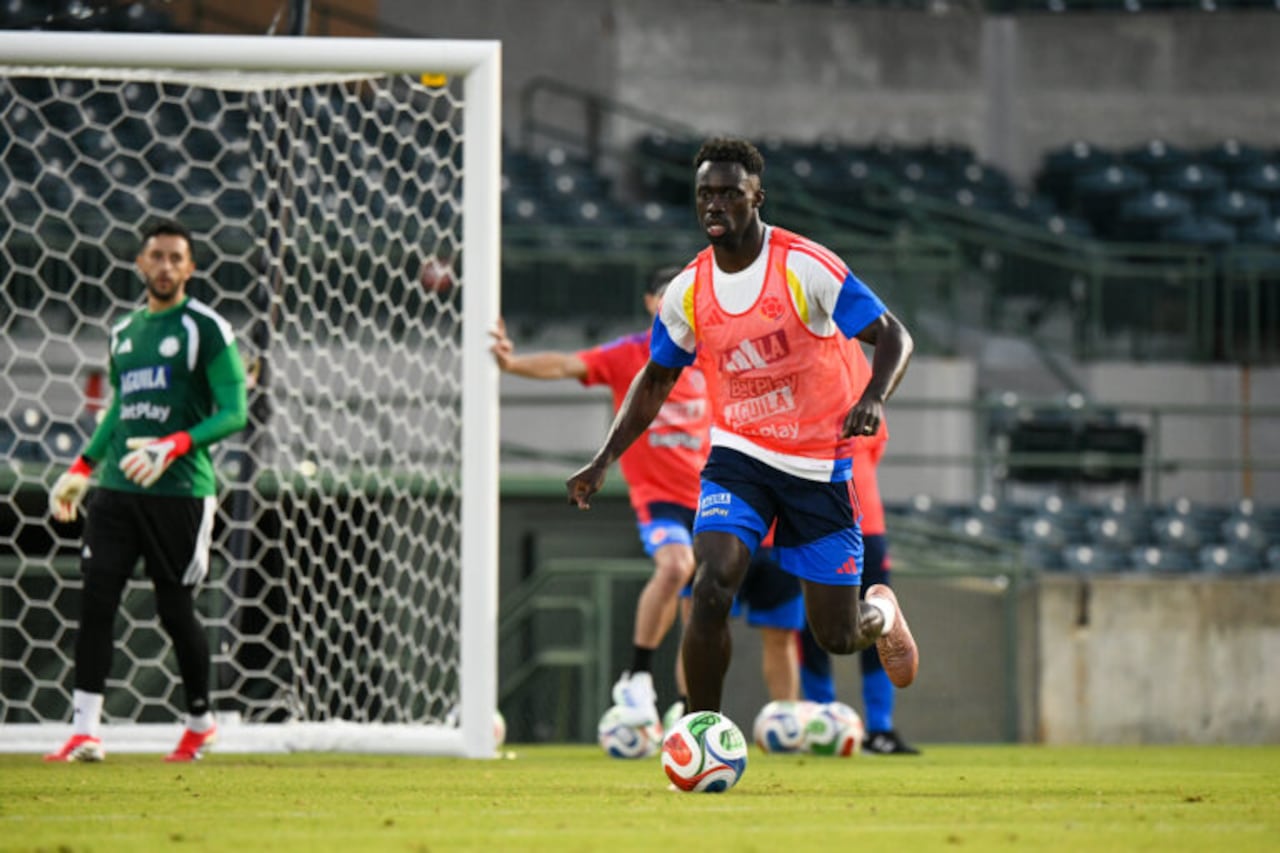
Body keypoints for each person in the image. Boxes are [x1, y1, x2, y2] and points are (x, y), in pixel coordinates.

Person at [566, 137, 919, 716]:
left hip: (818, 466)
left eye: (730, 192)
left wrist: (875, 396)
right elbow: (655, 379)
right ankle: (701, 731)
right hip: (740, 458)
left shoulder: (805, 265)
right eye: (705, 193)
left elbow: (894, 335)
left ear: (758, 196)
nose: (714, 204)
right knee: (710, 584)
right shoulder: (688, 290)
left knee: (836, 633)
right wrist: (603, 459)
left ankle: (880, 611)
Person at [491, 268, 806, 728]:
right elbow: (567, 364)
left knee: (696, 612)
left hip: (710, 496)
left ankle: (685, 706)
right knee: (676, 566)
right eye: (665, 296)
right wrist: (513, 364)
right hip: (659, 498)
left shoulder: (716, 352)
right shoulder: (631, 355)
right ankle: (636, 675)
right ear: (650, 303)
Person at [44, 218, 248, 762]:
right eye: (156, 256)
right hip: (117, 488)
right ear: (140, 263)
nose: (165, 266)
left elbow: (235, 411)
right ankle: (85, 730)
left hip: (180, 492)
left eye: (176, 258)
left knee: (175, 608)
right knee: (96, 600)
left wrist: (174, 445)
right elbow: (119, 409)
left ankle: (200, 720)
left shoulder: (206, 329)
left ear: (191, 267)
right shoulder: (124, 332)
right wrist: (82, 467)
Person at [798, 418, 921, 754]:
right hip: (822, 525)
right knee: (813, 624)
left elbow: (873, 449)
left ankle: (879, 728)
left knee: (876, 631)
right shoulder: (808, 392)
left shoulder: (866, 391)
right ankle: (823, 719)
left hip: (862, 521)